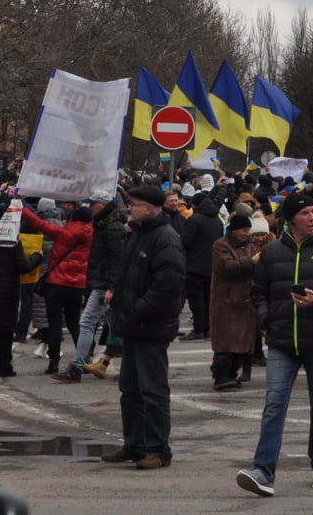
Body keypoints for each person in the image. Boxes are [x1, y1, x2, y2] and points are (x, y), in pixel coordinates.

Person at [237, 194, 313, 496]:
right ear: (291, 219)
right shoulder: (273, 251)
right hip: (281, 341)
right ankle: (263, 471)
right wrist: (266, 320)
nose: (312, 217)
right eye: (305, 213)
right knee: (274, 404)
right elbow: (257, 292)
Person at [101, 185, 186, 470]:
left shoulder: (165, 238)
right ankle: (134, 445)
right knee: (131, 388)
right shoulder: (138, 234)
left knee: (153, 390)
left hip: (150, 326)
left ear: (148, 208)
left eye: (134, 204)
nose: (129, 208)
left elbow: (167, 286)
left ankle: (158, 450)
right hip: (133, 325)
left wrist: (137, 309)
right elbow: (126, 274)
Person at [20, 198, 93, 376]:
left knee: (55, 324)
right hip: (77, 284)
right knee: (75, 323)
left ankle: (53, 361)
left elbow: (39, 223)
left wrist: (22, 208)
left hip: (56, 283)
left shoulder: (63, 233)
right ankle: (84, 358)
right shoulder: (90, 234)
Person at [62, 190, 128, 381]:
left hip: (104, 284)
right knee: (117, 326)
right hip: (102, 282)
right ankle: (137, 361)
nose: (89, 208)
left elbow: (118, 259)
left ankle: (77, 365)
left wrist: (112, 287)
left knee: (87, 322)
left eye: (91, 205)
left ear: (101, 204)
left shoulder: (111, 227)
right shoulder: (103, 224)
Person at [0, 202, 43, 377]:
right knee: (5, 333)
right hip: (7, 294)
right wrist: (37, 257)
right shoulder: (13, 241)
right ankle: (4, 367)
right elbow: (23, 266)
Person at [210, 212, 260, 391]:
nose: (246, 233)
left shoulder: (249, 246)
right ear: (234, 230)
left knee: (240, 342)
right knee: (226, 342)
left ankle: (232, 373)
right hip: (226, 301)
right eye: (243, 230)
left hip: (245, 301)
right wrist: (251, 262)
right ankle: (221, 375)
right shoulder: (220, 245)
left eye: (248, 230)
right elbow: (227, 267)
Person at [179, 185, 223, 341]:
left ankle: (198, 330)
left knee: (196, 301)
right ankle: (207, 329)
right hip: (212, 266)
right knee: (208, 299)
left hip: (194, 266)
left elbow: (186, 241)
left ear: (195, 205)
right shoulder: (218, 220)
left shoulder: (195, 219)